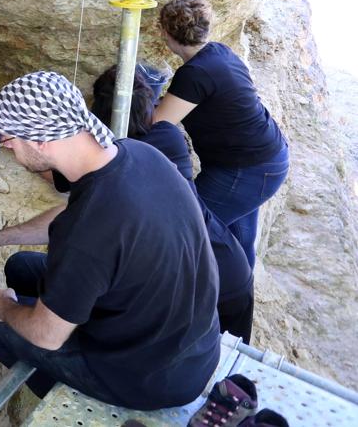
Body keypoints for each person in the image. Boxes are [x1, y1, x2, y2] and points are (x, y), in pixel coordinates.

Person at [0, 71, 220, 410]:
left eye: (7, 143)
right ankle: (56, 315)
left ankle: (67, 391)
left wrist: (2, 307)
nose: (8, 151)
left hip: (149, 376)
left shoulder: (87, 232)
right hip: (188, 340)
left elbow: (47, 336)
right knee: (21, 265)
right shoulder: (137, 155)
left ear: (39, 142)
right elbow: (70, 217)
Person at [84, 66, 254, 342]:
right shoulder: (168, 135)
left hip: (196, 288)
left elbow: (61, 176)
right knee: (228, 371)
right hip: (230, 269)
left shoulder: (108, 157)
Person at [153, 0, 289, 267]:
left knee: (182, 228)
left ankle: (178, 300)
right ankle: (236, 303)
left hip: (245, 171)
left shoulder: (194, 75)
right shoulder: (220, 53)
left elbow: (159, 125)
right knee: (237, 242)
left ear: (165, 33)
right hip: (267, 161)